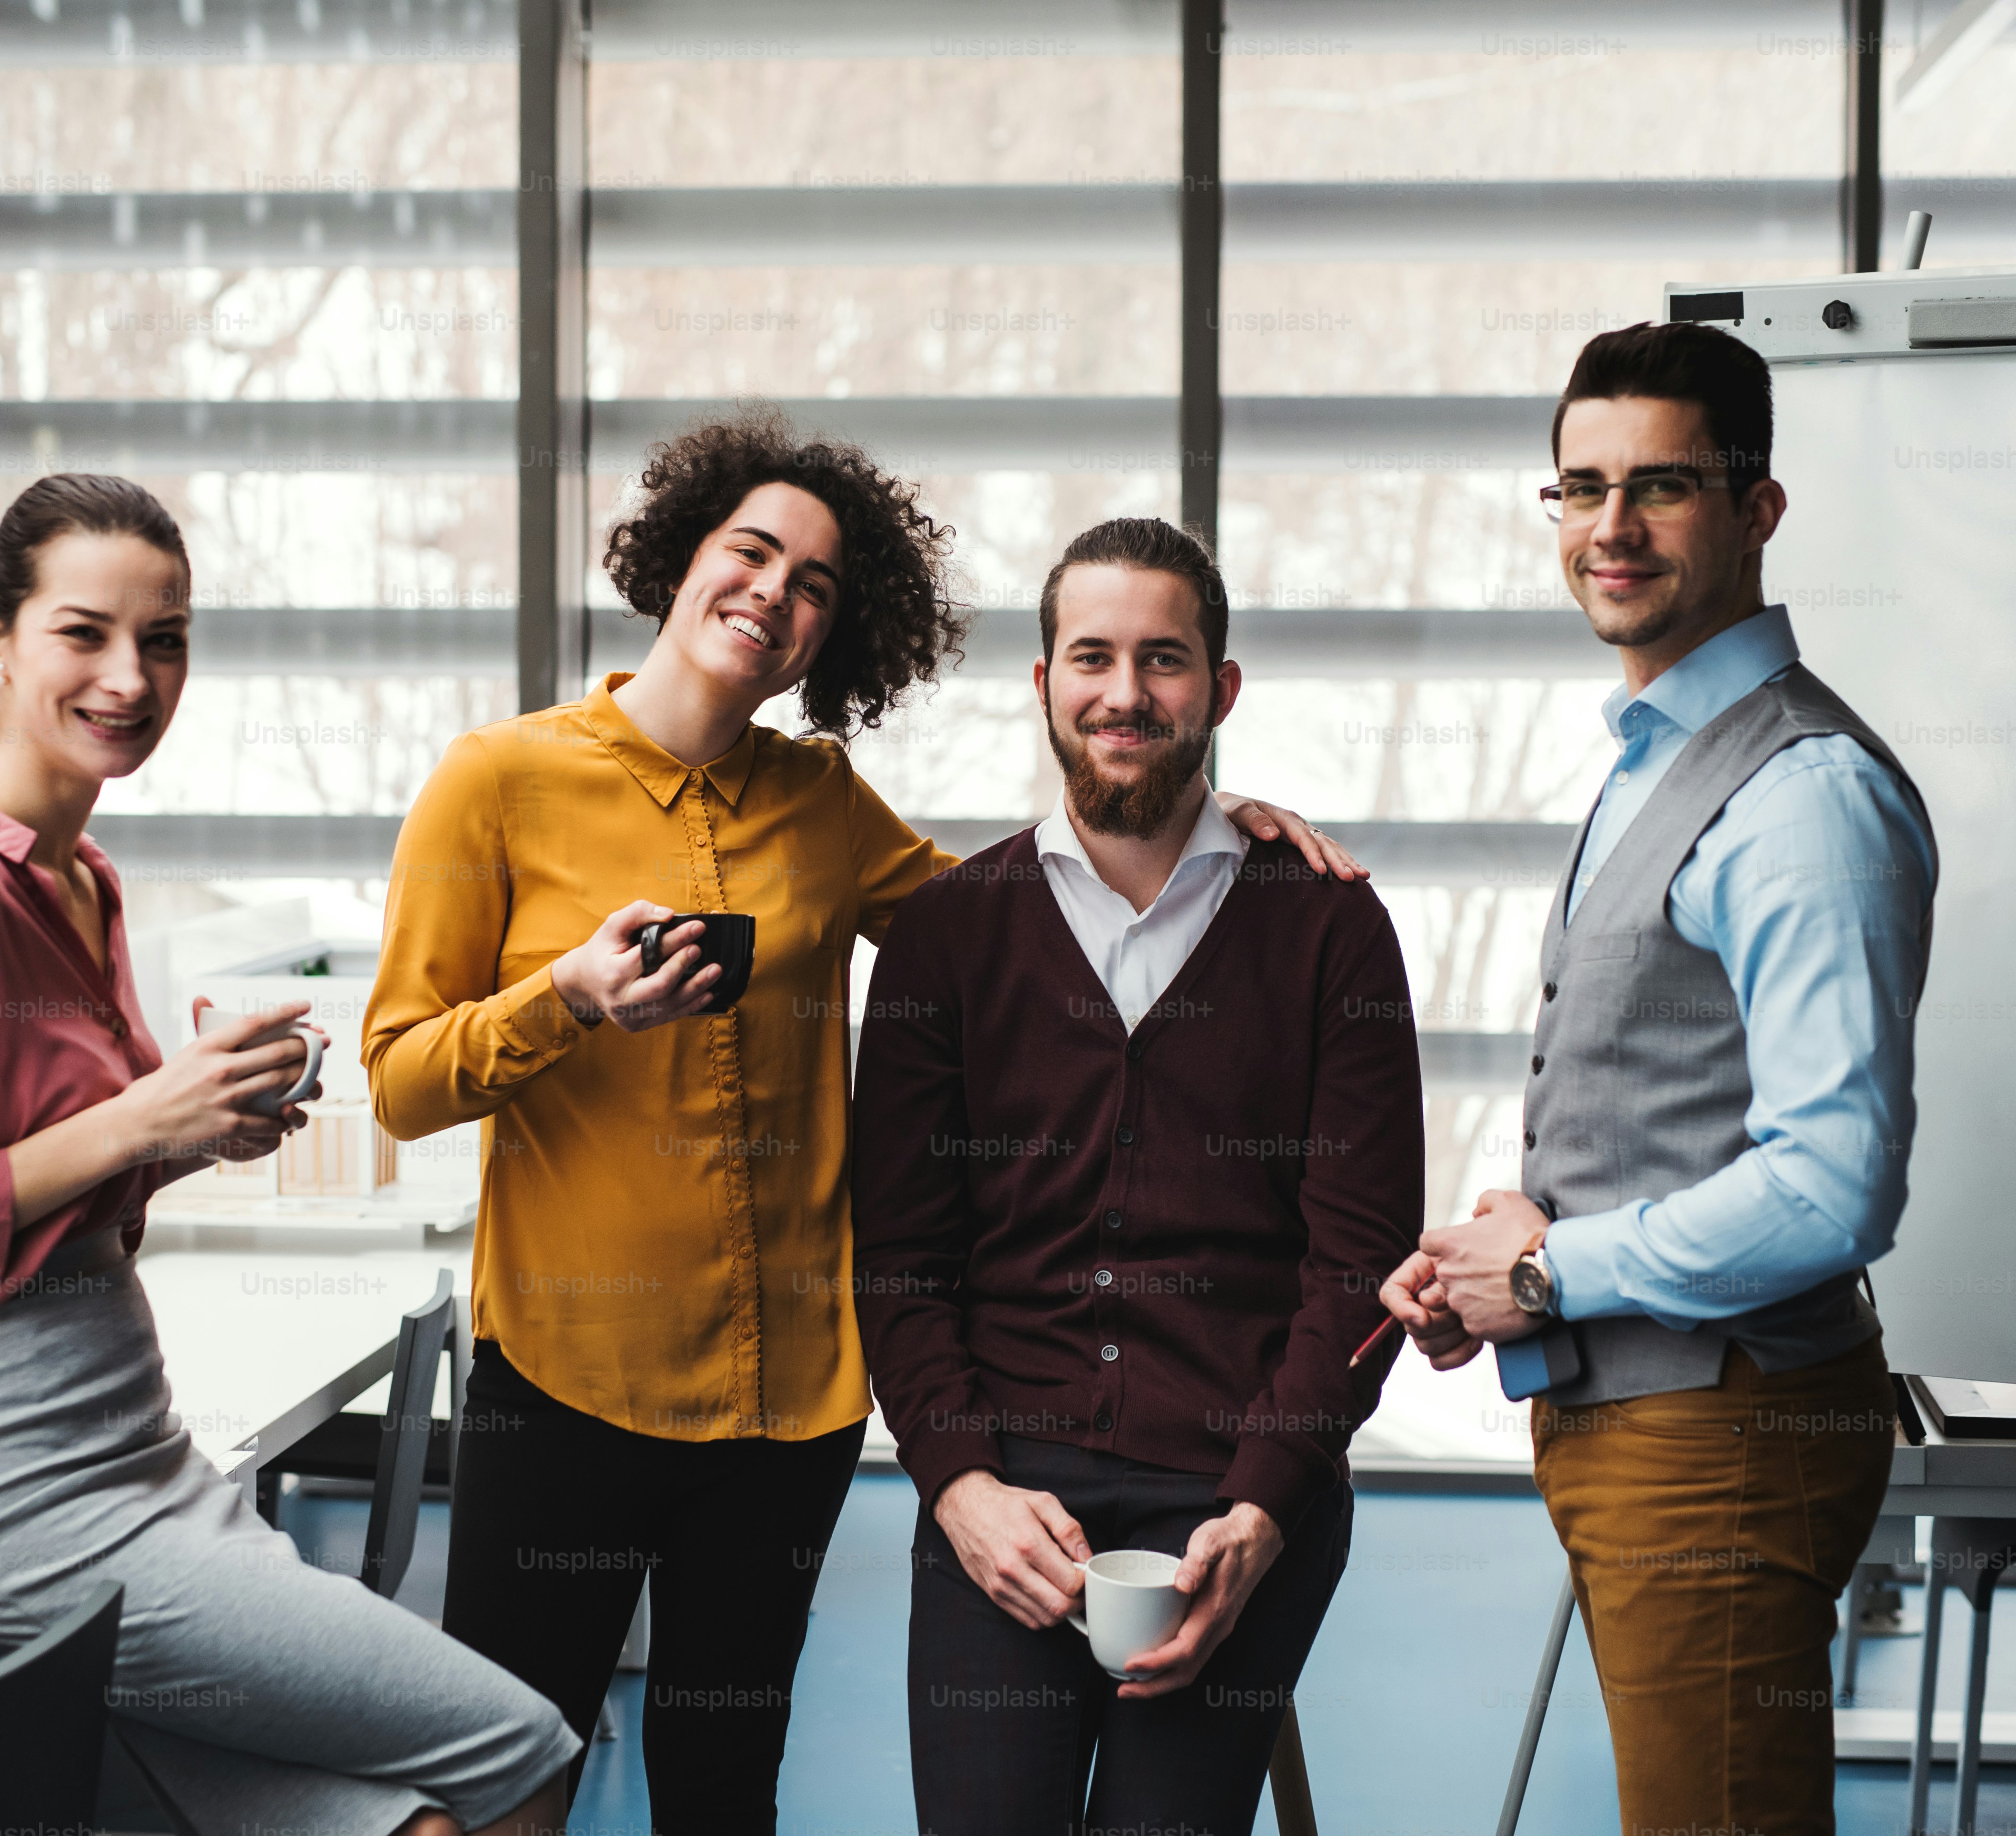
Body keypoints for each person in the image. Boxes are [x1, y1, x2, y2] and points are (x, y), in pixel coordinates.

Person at [361, 414, 1360, 1832]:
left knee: (723, 1787)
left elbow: (1023, 920)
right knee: (510, 1772)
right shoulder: (498, 781)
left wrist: (1195, 811)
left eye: (817, 583)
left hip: (783, 1411)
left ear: (837, 630)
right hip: (569, 1379)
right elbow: (399, 1075)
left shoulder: (821, 804)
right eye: (750, 552)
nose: (775, 593)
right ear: (679, 558)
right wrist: (567, 998)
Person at [0, 473, 575, 1836]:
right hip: (10, 1490)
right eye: (83, 632)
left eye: (166, 639)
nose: (130, 676)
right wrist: (140, 1119)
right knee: (523, 1746)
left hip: (132, 1448)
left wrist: (194, 1127)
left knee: (409, 1822)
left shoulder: (82, 876)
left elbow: (58, 1173)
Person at [1381, 322, 1938, 1836]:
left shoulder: (1803, 794)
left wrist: (1554, 1270)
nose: (1609, 528)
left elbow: (1835, 1181)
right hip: (1666, 1423)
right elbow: (1677, 1083)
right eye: (1578, 487)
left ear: (1758, 507)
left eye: (1661, 486)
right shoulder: (1653, 746)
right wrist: (1513, 1236)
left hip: (1729, 1437)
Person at [849, 516, 1424, 1835]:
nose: (1126, 693)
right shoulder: (946, 938)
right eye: (1092, 657)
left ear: (1220, 689)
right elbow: (902, 1262)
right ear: (1043, 683)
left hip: (1238, 1482)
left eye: (1164, 661)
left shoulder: (1331, 927)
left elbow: (1357, 1267)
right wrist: (960, 1487)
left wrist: (1268, 1509)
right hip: (1007, 1483)